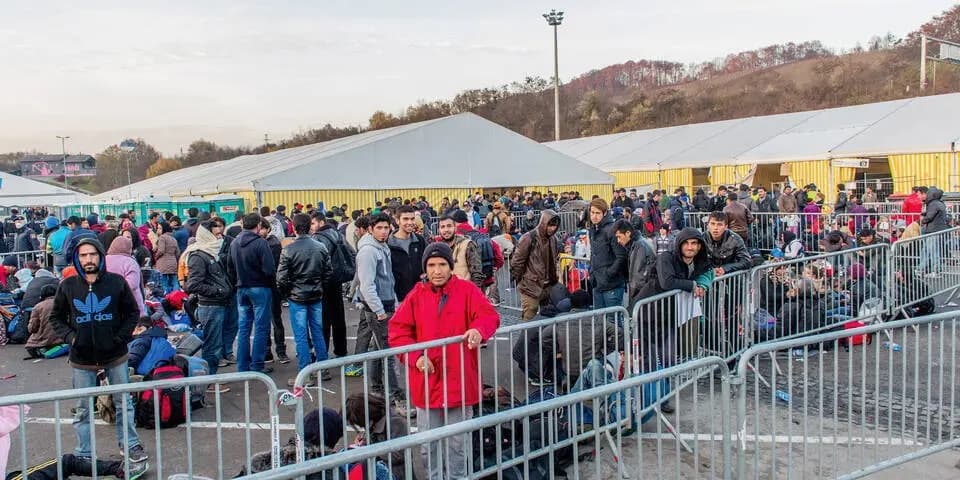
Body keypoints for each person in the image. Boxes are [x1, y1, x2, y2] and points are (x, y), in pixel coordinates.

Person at [388, 242, 499, 480]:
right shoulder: (416, 294)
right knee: (430, 443)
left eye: (441, 265)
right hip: (427, 383)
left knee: (459, 443)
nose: (436, 270)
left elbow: (489, 315)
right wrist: (416, 357)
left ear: (450, 266)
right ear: (425, 268)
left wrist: (479, 330)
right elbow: (397, 331)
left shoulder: (467, 290)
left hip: (460, 380)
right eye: (431, 265)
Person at [48, 238, 148, 463]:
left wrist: (119, 337)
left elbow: (132, 313)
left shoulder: (116, 283)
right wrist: (71, 338)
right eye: (83, 255)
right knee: (83, 408)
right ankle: (84, 453)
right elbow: (56, 317)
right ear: (76, 258)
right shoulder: (68, 286)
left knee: (124, 402)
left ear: (101, 256)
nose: (88, 259)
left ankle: (130, 445)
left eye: (92, 254)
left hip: (115, 355)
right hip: (81, 359)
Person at [355, 213, 405, 408]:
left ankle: (377, 387)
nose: (384, 232)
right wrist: (379, 309)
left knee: (379, 348)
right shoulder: (368, 251)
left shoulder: (381, 247)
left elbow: (387, 279)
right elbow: (366, 284)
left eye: (386, 228)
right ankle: (395, 394)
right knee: (388, 351)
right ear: (370, 229)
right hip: (377, 307)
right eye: (379, 228)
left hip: (385, 303)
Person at [277, 214, 333, 387]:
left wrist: (288, 292)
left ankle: (305, 373)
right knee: (317, 332)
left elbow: (281, 278)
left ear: (293, 228)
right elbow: (328, 273)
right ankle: (322, 369)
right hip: (315, 295)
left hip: (297, 297)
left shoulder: (289, 250)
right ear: (310, 226)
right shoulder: (320, 247)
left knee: (301, 336)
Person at [183, 224, 232, 384]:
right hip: (210, 306)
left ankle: (211, 378)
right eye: (216, 235)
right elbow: (193, 285)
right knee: (212, 345)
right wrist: (217, 290)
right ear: (207, 236)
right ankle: (209, 382)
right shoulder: (198, 255)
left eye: (220, 235)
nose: (220, 238)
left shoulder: (212, 252)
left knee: (215, 344)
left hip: (218, 304)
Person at [229, 213, 276, 374]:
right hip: (260, 288)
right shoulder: (261, 243)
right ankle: (257, 365)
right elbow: (269, 269)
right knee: (261, 328)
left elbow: (230, 267)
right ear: (257, 226)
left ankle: (242, 366)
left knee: (244, 328)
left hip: (241, 288)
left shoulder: (234, 243)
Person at [311, 213, 353, 360]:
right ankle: (341, 350)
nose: (311, 227)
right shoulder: (337, 234)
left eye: (313, 223)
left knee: (323, 319)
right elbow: (351, 253)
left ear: (321, 222)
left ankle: (322, 354)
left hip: (324, 281)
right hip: (337, 279)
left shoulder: (318, 238)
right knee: (338, 317)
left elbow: (318, 262)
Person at [510, 210, 560, 320]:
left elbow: (554, 260)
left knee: (547, 321)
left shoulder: (554, 239)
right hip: (530, 286)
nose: (552, 228)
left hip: (548, 286)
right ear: (543, 223)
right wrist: (521, 281)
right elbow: (516, 263)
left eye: (555, 226)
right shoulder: (528, 238)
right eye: (550, 225)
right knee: (529, 319)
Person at [258, 217, 289, 365]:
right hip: (264, 287)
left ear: (268, 229)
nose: (259, 231)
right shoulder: (264, 243)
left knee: (275, 320)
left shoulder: (273, 244)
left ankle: (281, 351)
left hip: (272, 287)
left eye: (262, 228)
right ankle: (267, 352)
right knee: (264, 321)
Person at [588, 198, 628, 309]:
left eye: (597, 213)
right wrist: (591, 271)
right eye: (592, 212)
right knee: (600, 321)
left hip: (612, 285)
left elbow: (621, 256)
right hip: (597, 282)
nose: (594, 216)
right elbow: (593, 253)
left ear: (605, 213)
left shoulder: (612, 229)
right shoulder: (593, 229)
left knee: (613, 321)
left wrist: (609, 273)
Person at [613, 220, 656, 312]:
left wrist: (633, 302)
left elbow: (638, 276)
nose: (618, 241)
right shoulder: (638, 243)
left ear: (628, 233)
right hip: (643, 291)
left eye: (619, 237)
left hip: (642, 293)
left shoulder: (639, 245)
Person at [388, 205, 427, 303]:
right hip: (398, 298)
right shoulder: (388, 244)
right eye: (405, 219)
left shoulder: (420, 240)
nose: (410, 222)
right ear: (397, 221)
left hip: (419, 297)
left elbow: (428, 260)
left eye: (412, 219)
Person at [105, 237, 147, 317]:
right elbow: (132, 284)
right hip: (131, 304)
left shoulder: (103, 260)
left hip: (109, 303)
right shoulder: (130, 262)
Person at [436, 216, 483, 288]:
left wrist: (473, 295)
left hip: (464, 293)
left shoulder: (467, 245)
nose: (446, 230)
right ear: (439, 230)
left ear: (455, 227)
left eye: (449, 226)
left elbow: (477, 274)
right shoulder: (437, 248)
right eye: (442, 227)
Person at [24, 284, 62, 359]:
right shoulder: (64, 303)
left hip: (43, 341)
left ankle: (44, 350)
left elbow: (32, 328)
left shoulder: (38, 307)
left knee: (31, 346)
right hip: (64, 338)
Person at [918, 186, 949, 278]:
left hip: (934, 230)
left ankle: (936, 271)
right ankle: (922, 269)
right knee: (927, 250)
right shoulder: (939, 203)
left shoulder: (933, 204)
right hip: (935, 229)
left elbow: (929, 217)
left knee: (933, 251)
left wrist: (923, 220)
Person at [153, 222, 180, 294]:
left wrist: (156, 257)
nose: (157, 230)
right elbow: (178, 253)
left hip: (163, 263)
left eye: (159, 228)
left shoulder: (162, 237)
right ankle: (177, 297)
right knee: (175, 282)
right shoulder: (173, 238)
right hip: (173, 263)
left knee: (164, 284)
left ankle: (167, 299)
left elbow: (161, 250)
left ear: (164, 229)